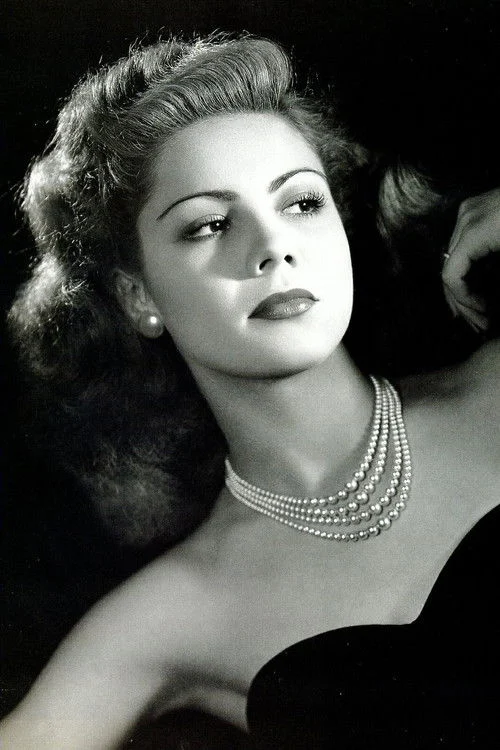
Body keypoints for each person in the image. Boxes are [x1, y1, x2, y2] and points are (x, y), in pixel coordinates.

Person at [1, 33, 499, 749]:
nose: (272, 247)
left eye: (301, 203)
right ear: (139, 295)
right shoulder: (174, 614)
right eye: (210, 224)